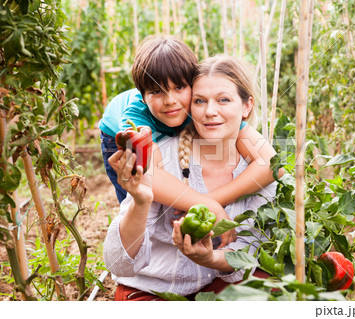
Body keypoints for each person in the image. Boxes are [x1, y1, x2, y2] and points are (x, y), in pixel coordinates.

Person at [103, 55, 276, 300]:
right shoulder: (158, 151)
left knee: (272, 291)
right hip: (153, 289)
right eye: (200, 101)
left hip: (214, 282)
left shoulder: (256, 166)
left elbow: (250, 249)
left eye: (224, 100)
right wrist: (141, 201)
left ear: (247, 106)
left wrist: (210, 257)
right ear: (190, 106)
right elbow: (118, 265)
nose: (210, 111)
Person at [100, 36, 282, 246]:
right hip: (116, 137)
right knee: (139, 200)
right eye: (157, 91)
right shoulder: (134, 118)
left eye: (179, 87)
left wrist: (211, 201)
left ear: (193, 85)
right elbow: (152, 176)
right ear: (143, 97)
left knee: (177, 190)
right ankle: (142, 252)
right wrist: (205, 205)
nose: (170, 100)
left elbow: (272, 164)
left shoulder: (202, 106)